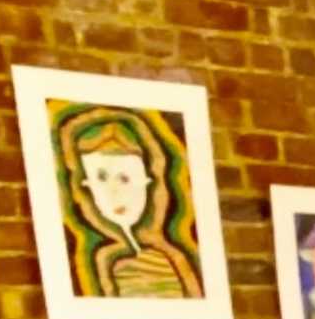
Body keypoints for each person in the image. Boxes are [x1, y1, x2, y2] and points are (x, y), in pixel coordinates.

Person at [50, 104, 202, 303]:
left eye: (125, 179)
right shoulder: (101, 258)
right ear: (85, 185)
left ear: (149, 183)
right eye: (101, 178)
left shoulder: (172, 255)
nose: (115, 193)